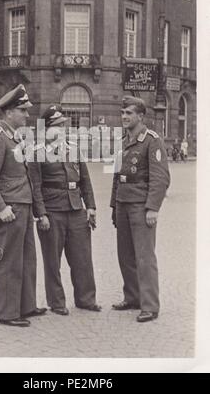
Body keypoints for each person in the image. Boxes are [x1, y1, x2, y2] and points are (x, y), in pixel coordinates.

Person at [0, 84, 46, 327]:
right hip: (10, 209)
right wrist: (1, 207)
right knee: (9, 261)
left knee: (27, 258)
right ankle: (7, 313)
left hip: (23, 205)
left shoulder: (15, 137)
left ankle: (25, 305)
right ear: (9, 113)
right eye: (23, 111)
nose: (27, 115)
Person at [29, 104, 101, 316]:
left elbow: (85, 181)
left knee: (83, 257)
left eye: (63, 126)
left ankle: (86, 299)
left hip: (76, 208)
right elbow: (35, 186)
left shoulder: (73, 148)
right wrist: (41, 214)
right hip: (52, 211)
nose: (62, 130)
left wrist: (91, 207)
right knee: (52, 260)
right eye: (57, 126)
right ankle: (57, 302)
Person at [110, 96, 170, 323]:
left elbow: (160, 178)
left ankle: (150, 305)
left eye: (129, 113)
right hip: (124, 204)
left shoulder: (152, 140)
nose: (124, 117)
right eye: (123, 113)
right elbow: (117, 176)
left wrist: (153, 208)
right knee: (125, 255)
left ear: (141, 116)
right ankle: (133, 297)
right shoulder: (123, 141)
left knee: (144, 256)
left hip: (141, 206)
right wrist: (114, 206)